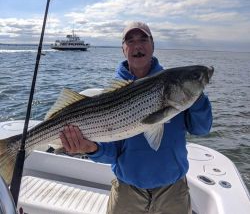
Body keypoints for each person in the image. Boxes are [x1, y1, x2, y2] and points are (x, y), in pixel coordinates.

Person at [59, 21, 213, 214]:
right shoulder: (113, 94)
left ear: (153, 45)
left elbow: (202, 129)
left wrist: (197, 96)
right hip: (127, 191)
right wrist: (90, 148)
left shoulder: (177, 87)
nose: (137, 45)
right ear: (124, 49)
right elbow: (112, 152)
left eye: (143, 39)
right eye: (130, 41)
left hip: (173, 191)